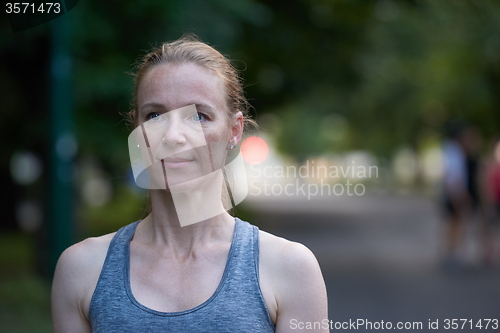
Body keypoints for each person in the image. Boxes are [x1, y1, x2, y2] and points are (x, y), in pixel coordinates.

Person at [51, 35, 329, 332]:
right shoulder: (81, 269)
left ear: (234, 131)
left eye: (198, 116)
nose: (173, 137)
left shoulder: (290, 269)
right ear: (136, 129)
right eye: (154, 115)